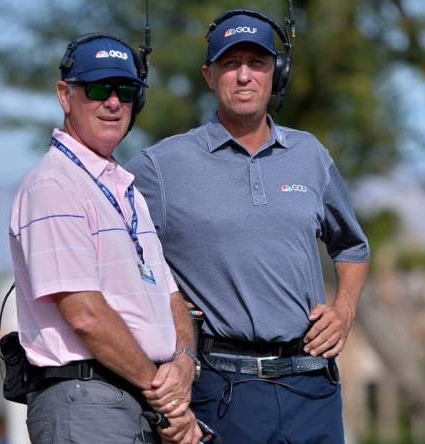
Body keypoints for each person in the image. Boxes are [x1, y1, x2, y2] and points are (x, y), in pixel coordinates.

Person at [125, 10, 370, 443]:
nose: (244, 76)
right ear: (209, 75)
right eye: (230, 64)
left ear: (277, 72)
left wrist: (345, 308)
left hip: (312, 388)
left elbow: (351, 248)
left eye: (256, 63)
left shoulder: (310, 154)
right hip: (221, 392)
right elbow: (119, 253)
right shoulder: (160, 167)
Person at [8, 34, 202, 443]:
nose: (113, 102)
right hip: (85, 401)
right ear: (65, 95)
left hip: (136, 399)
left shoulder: (125, 190)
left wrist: (183, 363)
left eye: (126, 91)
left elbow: (171, 297)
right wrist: (164, 396)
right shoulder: (52, 186)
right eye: (97, 88)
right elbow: (85, 315)